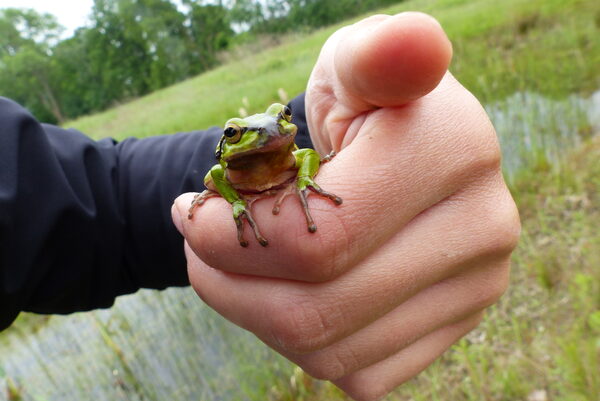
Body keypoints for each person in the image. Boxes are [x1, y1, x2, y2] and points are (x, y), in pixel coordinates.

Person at [0, 12, 519, 401]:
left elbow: (93, 200)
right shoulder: (223, 170)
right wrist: (234, 204)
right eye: (238, 133)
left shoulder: (291, 145)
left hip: (292, 176)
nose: (270, 131)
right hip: (244, 191)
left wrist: (348, 130)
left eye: (279, 122)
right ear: (230, 143)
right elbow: (210, 178)